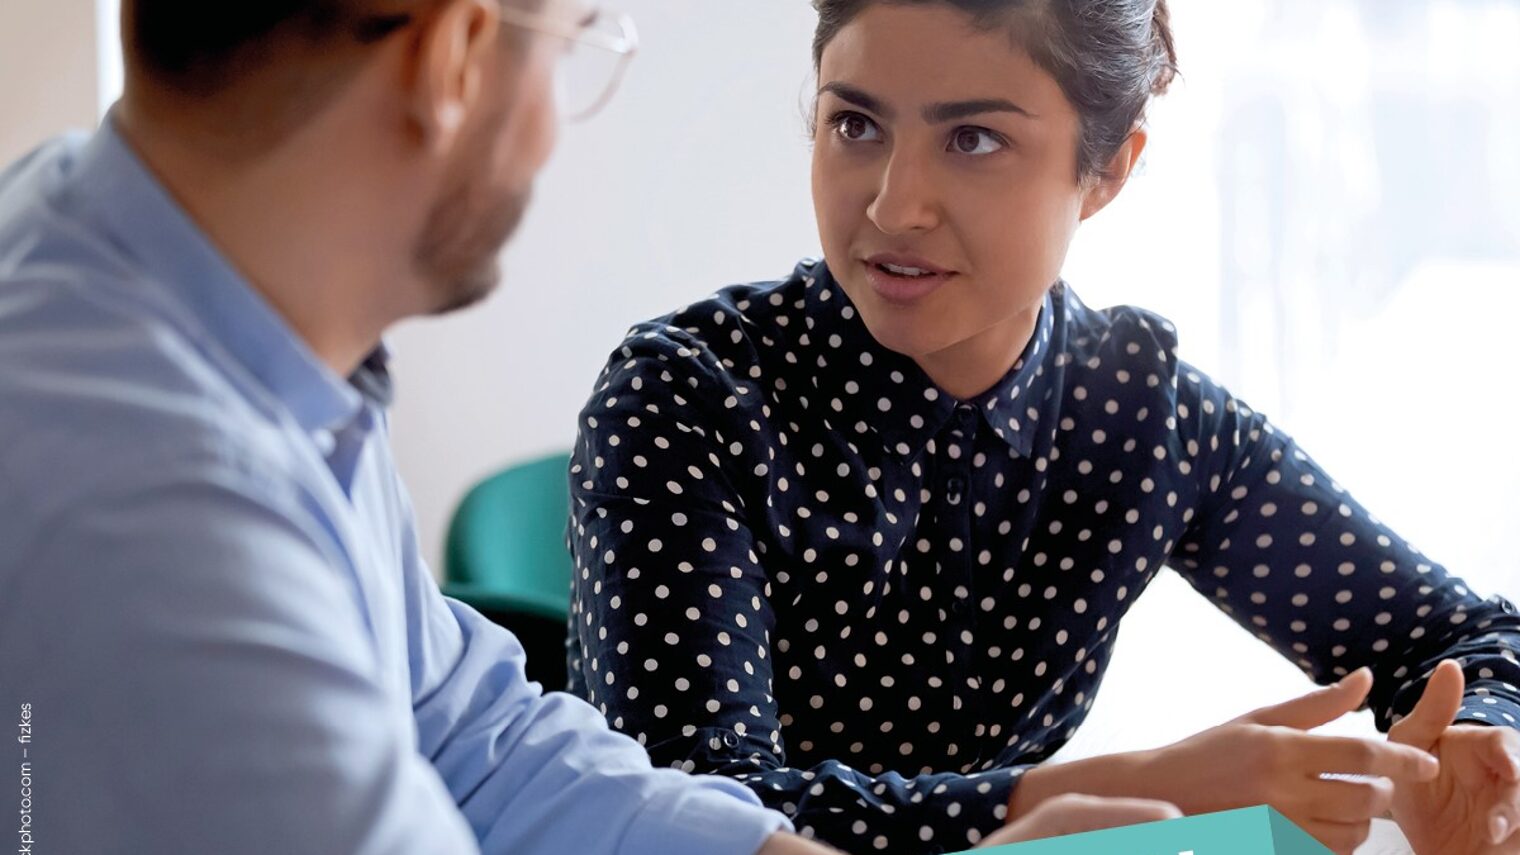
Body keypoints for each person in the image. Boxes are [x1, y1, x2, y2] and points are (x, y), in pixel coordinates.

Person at [0, 0, 1181, 852]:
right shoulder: (156, 524)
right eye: (573, 45)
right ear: (456, 52)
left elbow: (478, 739)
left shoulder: (153, 286)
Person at [565, 2, 1520, 854]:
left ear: (1107, 169)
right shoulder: (687, 395)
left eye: (973, 139)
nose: (895, 205)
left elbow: (1468, 634)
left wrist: (1483, 746)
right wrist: (1120, 791)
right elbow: (690, 813)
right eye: (855, 123)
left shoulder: (1143, 417)